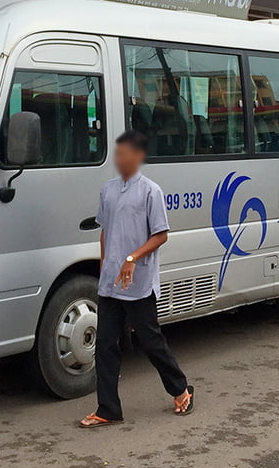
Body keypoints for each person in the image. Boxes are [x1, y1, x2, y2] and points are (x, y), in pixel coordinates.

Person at [79, 131, 194, 429]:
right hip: (111, 283)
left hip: (139, 282)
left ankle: (180, 389)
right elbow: (105, 230)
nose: (120, 159)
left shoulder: (150, 191)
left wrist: (132, 258)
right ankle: (108, 409)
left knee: (150, 340)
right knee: (105, 345)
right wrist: (106, 265)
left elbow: (161, 235)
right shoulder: (107, 190)